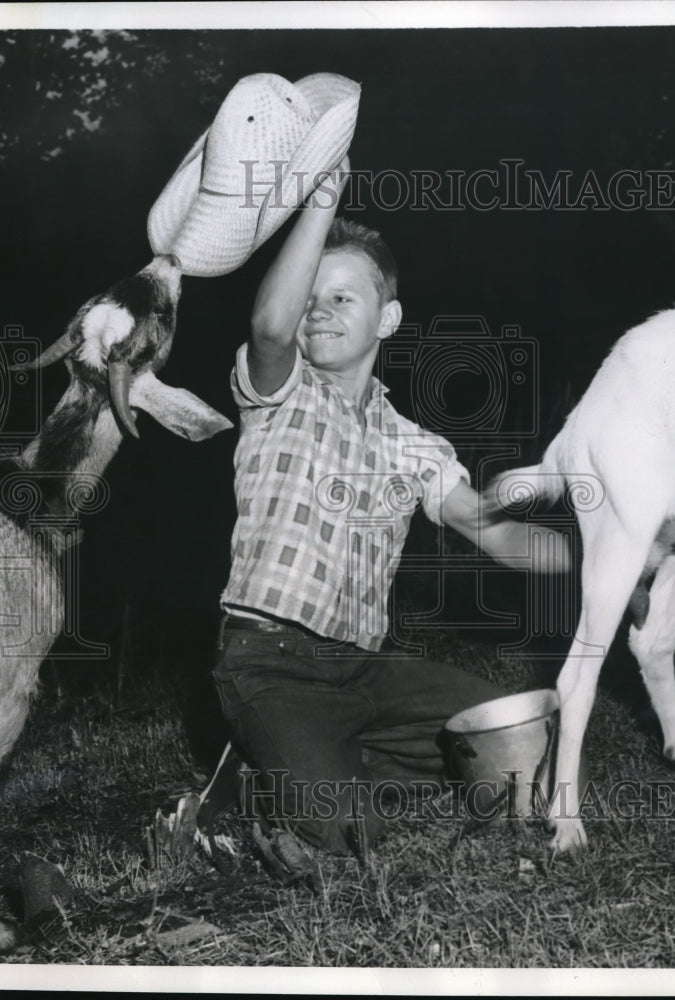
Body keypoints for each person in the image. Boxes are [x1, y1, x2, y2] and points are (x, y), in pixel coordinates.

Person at [210, 159, 567, 855]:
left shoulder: (413, 443)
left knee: (511, 743)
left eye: (344, 298)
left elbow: (495, 535)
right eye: (312, 295)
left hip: (368, 672)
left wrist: (618, 567)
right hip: (269, 661)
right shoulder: (277, 394)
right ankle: (282, 778)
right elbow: (271, 329)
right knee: (353, 836)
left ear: (388, 319)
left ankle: (305, 765)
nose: (320, 309)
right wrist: (320, 202)